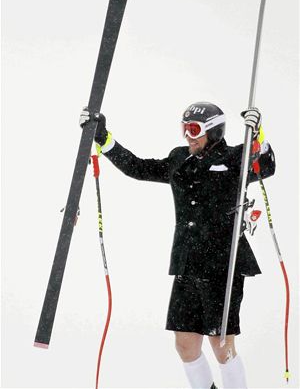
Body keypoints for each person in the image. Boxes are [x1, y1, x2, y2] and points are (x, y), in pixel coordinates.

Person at [80, 102, 275, 389]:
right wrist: (103, 138)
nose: (188, 137)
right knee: (185, 344)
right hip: (187, 262)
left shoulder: (235, 159)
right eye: (184, 130)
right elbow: (138, 167)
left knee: (221, 345)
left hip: (222, 264)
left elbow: (266, 166)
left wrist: (257, 134)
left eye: (194, 130)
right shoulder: (179, 159)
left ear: (214, 131)